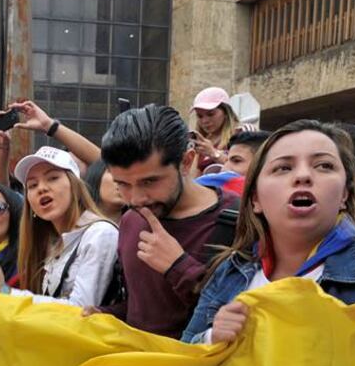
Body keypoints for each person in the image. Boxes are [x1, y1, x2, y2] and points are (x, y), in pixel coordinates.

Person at [182, 120, 355, 343]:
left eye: (324, 166)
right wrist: (211, 338)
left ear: (344, 194)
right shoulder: (230, 270)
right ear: (255, 198)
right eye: (283, 168)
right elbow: (186, 353)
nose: (303, 176)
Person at [89, 104, 241, 338]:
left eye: (149, 182)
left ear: (186, 161)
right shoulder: (130, 221)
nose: (136, 199)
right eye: (123, 185)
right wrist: (105, 314)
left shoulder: (238, 219)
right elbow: (141, 309)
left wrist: (179, 267)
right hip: (136, 365)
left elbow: (242, 319)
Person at [0, 149, 117, 306]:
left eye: (53, 178)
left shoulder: (100, 234)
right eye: (32, 185)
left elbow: (80, 310)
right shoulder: (50, 244)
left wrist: (6, 291)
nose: (41, 188)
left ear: (75, 185)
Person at [190, 87, 251, 172]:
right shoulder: (201, 141)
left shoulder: (243, 131)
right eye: (200, 116)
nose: (204, 121)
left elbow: (250, 168)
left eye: (211, 114)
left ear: (226, 112)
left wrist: (213, 153)